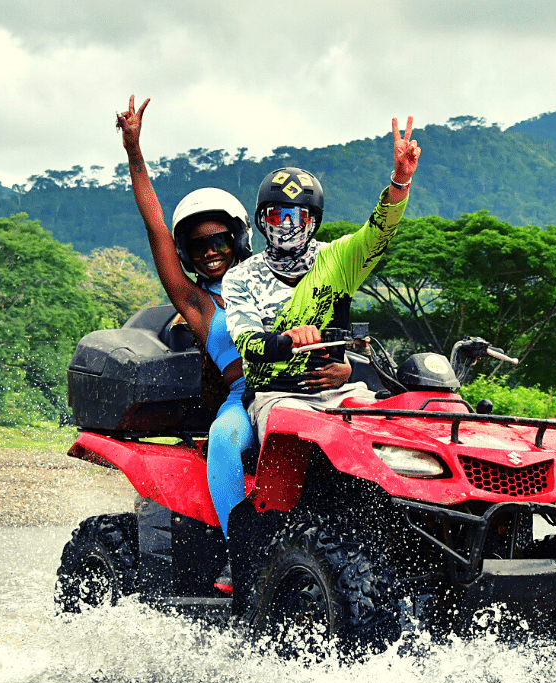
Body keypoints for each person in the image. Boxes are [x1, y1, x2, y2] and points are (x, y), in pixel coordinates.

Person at [115, 95, 277, 594]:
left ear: (239, 240)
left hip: (300, 389)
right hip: (242, 399)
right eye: (199, 245)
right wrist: (135, 153)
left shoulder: (275, 279)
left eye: (220, 242)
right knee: (225, 444)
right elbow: (156, 227)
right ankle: (241, 557)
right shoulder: (197, 304)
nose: (211, 252)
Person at [224, 116, 421, 443]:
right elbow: (248, 343)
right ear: (262, 219)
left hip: (343, 392)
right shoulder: (241, 277)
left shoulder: (339, 258)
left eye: (297, 216)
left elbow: (380, 230)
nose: (286, 225)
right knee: (308, 441)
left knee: (401, 432)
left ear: (313, 220)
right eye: (277, 215)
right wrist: (288, 340)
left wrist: (400, 181)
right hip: (276, 397)